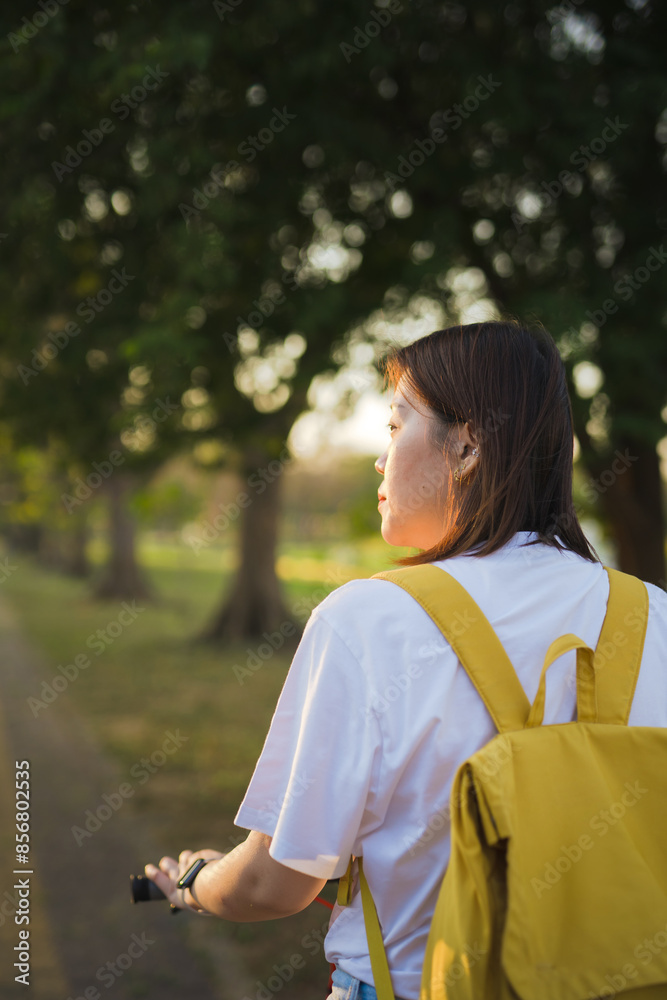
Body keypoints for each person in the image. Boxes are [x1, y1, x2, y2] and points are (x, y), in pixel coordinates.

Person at [145, 320, 667, 1000]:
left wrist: (192, 882)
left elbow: (274, 883)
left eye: (395, 427)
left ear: (467, 445)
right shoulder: (651, 614)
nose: (377, 457)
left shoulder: (370, 619)